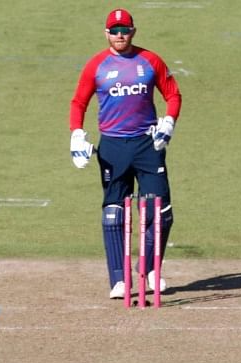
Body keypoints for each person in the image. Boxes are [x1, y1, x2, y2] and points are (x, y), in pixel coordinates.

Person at [69, 8, 182, 300]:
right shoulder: (97, 65)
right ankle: (119, 280)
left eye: (125, 30)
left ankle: (150, 269)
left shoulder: (150, 60)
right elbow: (78, 102)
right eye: (114, 30)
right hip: (113, 146)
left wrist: (169, 121)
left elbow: (172, 94)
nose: (120, 35)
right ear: (107, 33)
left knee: (161, 210)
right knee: (113, 214)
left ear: (133, 31)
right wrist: (76, 134)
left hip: (147, 143)